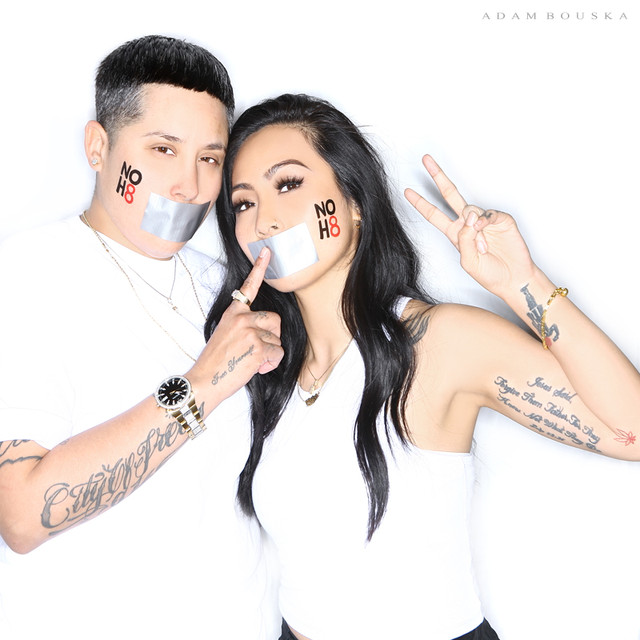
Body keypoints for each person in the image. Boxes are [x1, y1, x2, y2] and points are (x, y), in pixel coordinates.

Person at [205, 93, 640, 640]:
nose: (264, 219)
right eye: (243, 203)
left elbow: (632, 432)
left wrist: (522, 283)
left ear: (354, 201)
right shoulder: (263, 366)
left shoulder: (436, 340)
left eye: (288, 184)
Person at [0, 36, 283, 639]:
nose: (188, 186)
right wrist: (203, 385)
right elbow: (22, 516)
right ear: (97, 146)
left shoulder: (224, 286)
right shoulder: (26, 275)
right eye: (162, 149)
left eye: (210, 158)